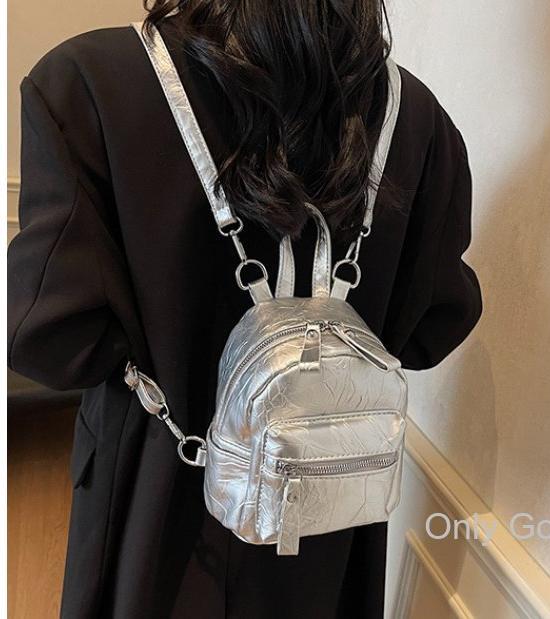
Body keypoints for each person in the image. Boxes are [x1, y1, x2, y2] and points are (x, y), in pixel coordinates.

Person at [7, 2, 482, 617]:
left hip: (158, 497)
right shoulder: (416, 116)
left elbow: (50, 338)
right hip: (328, 505)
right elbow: (431, 329)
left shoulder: (87, 82)